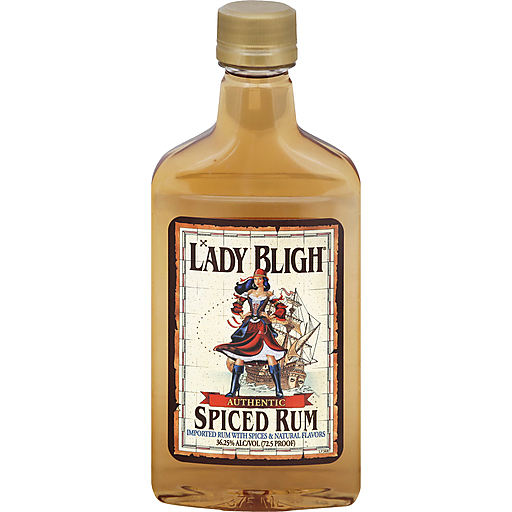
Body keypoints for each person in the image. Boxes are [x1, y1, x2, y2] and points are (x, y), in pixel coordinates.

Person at [214, 269, 287, 397]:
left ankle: (279, 390)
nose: (257, 281)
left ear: (264, 280)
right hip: (249, 326)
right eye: (255, 279)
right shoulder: (249, 293)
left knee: (270, 355)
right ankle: (233, 388)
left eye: (260, 279)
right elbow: (237, 305)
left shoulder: (269, 294)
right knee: (240, 354)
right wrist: (242, 314)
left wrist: (271, 317)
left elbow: (281, 308)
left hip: (262, 327)